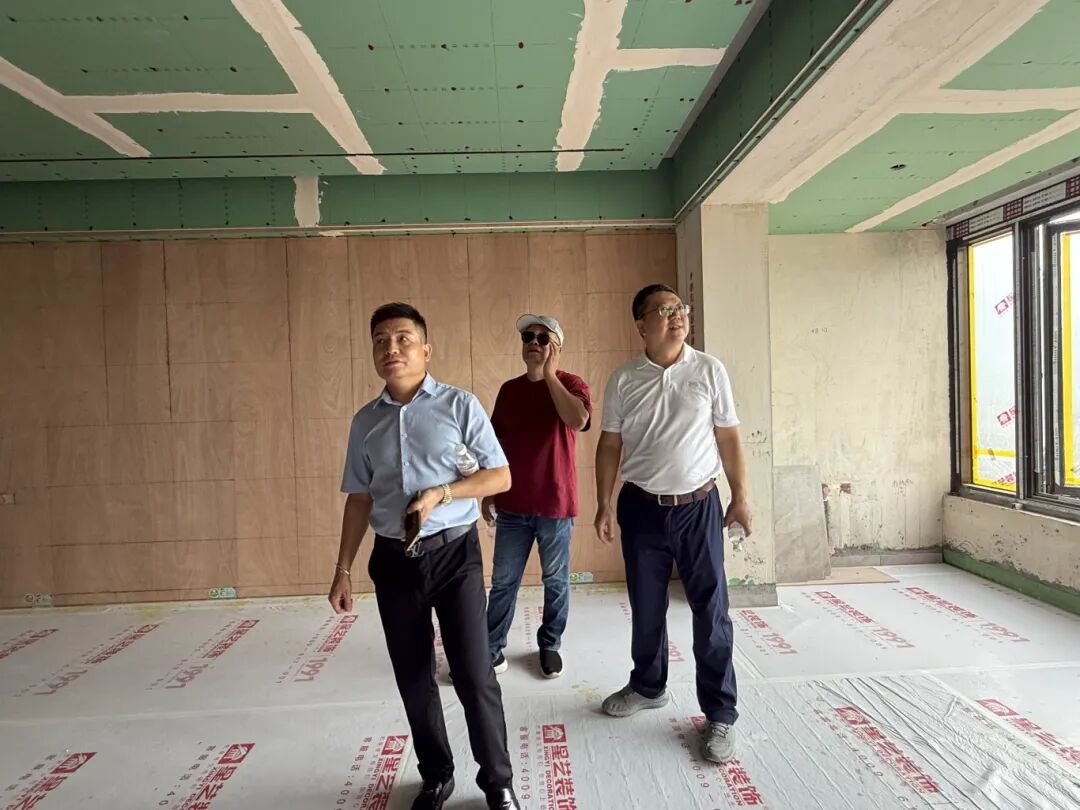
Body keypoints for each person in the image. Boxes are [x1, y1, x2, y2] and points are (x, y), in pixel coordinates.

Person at [329, 302, 521, 810]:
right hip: (393, 561)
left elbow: (500, 476)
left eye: (403, 339)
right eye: (380, 341)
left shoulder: (459, 405)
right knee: (413, 676)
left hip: (454, 555)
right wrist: (342, 569)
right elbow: (359, 498)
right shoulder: (365, 422)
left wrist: (443, 493)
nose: (390, 349)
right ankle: (436, 775)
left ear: (426, 350)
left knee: (474, 673)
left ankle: (498, 782)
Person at [593, 283, 753, 764]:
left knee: (711, 611)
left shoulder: (709, 370)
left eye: (679, 307)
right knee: (646, 607)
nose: (676, 315)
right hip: (641, 507)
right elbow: (609, 444)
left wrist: (741, 496)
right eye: (663, 310)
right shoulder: (624, 379)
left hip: (698, 506)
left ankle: (720, 712)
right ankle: (648, 686)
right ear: (641, 324)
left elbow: (728, 437)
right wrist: (603, 503)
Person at [482, 314, 591, 679]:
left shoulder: (571, 384)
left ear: (557, 347)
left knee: (556, 581)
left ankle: (550, 645)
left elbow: (577, 420)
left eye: (544, 338)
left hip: (555, 506)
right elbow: (495, 444)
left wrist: (550, 374)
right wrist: (488, 492)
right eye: (528, 336)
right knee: (503, 581)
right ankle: (490, 648)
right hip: (512, 506)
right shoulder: (509, 390)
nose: (534, 342)